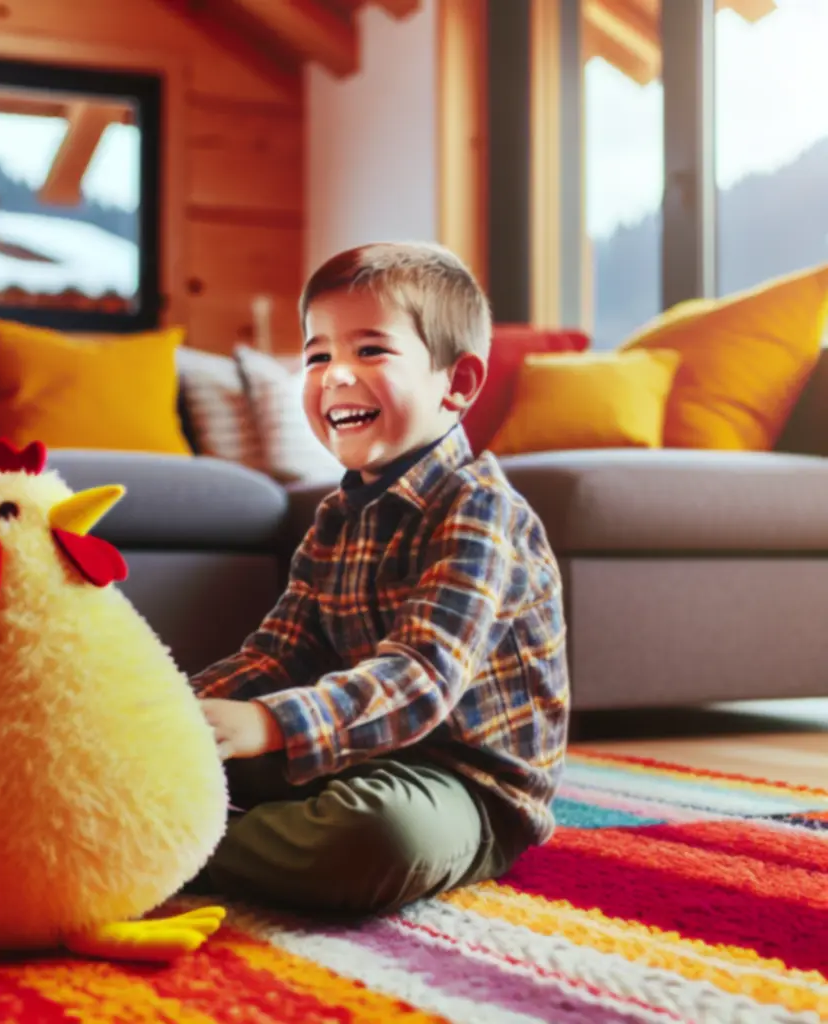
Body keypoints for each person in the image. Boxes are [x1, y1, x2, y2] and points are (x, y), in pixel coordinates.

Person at [187, 241, 570, 916]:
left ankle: (176, 849)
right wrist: (165, 715)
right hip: (349, 747)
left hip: (462, 786)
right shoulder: (335, 517)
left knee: (373, 836)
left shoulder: (481, 508)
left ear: (457, 384)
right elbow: (277, 654)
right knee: (184, 747)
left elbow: (421, 677)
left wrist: (268, 724)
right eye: (317, 355)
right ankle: (153, 804)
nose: (335, 375)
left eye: (370, 351)